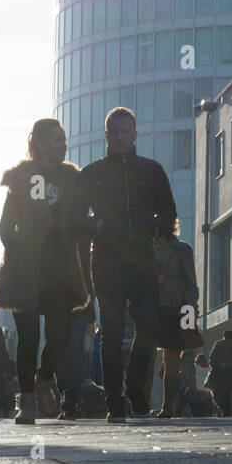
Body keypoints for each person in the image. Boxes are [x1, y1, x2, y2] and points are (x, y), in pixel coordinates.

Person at [72, 106, 176, 424]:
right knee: (112, 332)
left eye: (124, 131)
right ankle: (115, 400)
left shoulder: (152, 171)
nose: (118, 137)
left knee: (149, 327)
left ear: (135, 135)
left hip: (144, 261)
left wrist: (153, 227)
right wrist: (98, 225)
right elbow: (74, 220)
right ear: (106, 135)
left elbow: (169, 213)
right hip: (106, 262)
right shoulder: (92, 174)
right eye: (113, 132)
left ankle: (134, 385)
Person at [0, 118, 92, 424]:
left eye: (63, 140)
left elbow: (78, 220)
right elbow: (5, 226)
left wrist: (96, 226)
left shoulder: (71, 180)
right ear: (38, 143)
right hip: (27, 269)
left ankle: (43, 378)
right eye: (56, 140)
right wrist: (21, 250)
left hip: (61, 269)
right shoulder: (24, 179)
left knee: (60, 335)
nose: (63, 145)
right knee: (28, 337)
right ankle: (27, 403)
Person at [153, 218, 202, 417]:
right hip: (152, 309)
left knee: (172, 359)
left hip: (175, 308)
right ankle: (163, 405)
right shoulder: (145, 249)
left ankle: (167, 406)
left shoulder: (182, 250)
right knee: (164, 360)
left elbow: (191, 285)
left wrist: (191, 313)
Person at [207, 330, 232, 416]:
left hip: (220, 371)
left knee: (218, 391)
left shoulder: (219, 343)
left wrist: (215, 367)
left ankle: (224, 409)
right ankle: (226, 410)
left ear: (224, 336)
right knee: (228, 391)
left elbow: (212, 357)